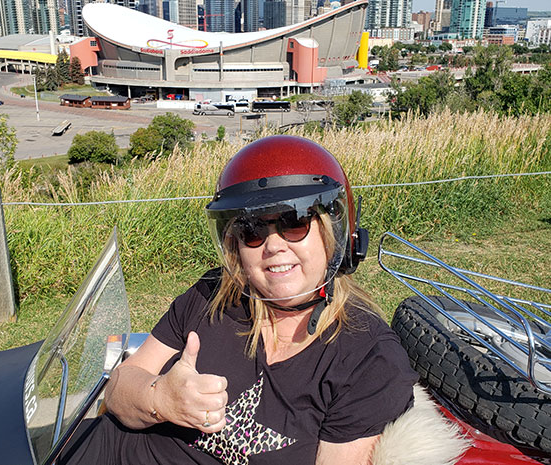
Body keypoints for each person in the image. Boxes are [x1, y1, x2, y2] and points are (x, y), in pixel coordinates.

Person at [59, 135, 418, 465]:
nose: (274, 245)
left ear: (332, 233)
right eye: (253, 230)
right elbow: (120, 388)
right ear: (235, 245)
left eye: (294, 223)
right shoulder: (212, 296)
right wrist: (160, 399)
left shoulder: (368, 359)